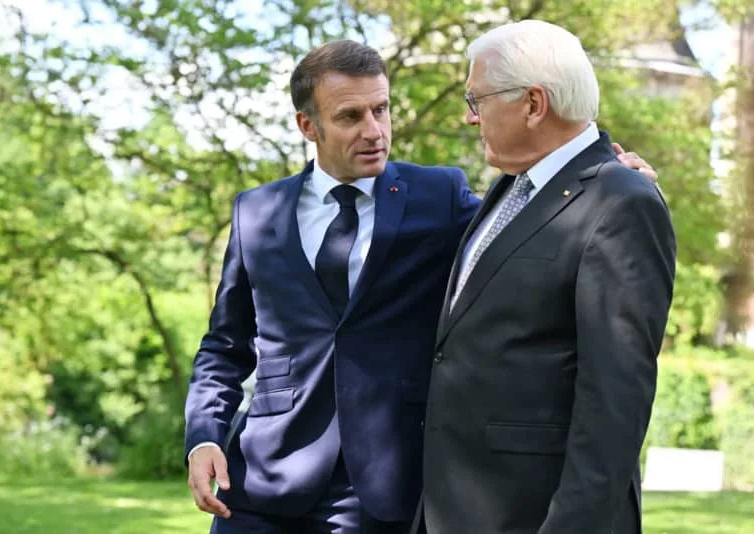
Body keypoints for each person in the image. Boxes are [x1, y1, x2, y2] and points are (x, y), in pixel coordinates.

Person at [184, 39, 657, 534]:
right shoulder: (255, 212)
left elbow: (527, 239)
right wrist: (203, 435)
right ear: (308, 126)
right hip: (260, 483)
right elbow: (225, 344)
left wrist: (608, 186)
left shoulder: (440, 196)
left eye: (381, 110)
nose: (374, 131)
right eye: (351, 117)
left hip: (384, 488)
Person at [415, 21, 677, 534]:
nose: (469, 118)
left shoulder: (621, 202)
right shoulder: (509, 191)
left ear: (534, 104)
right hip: (456, 510)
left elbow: (614, 401)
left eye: (477, 99)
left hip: (538, 517)